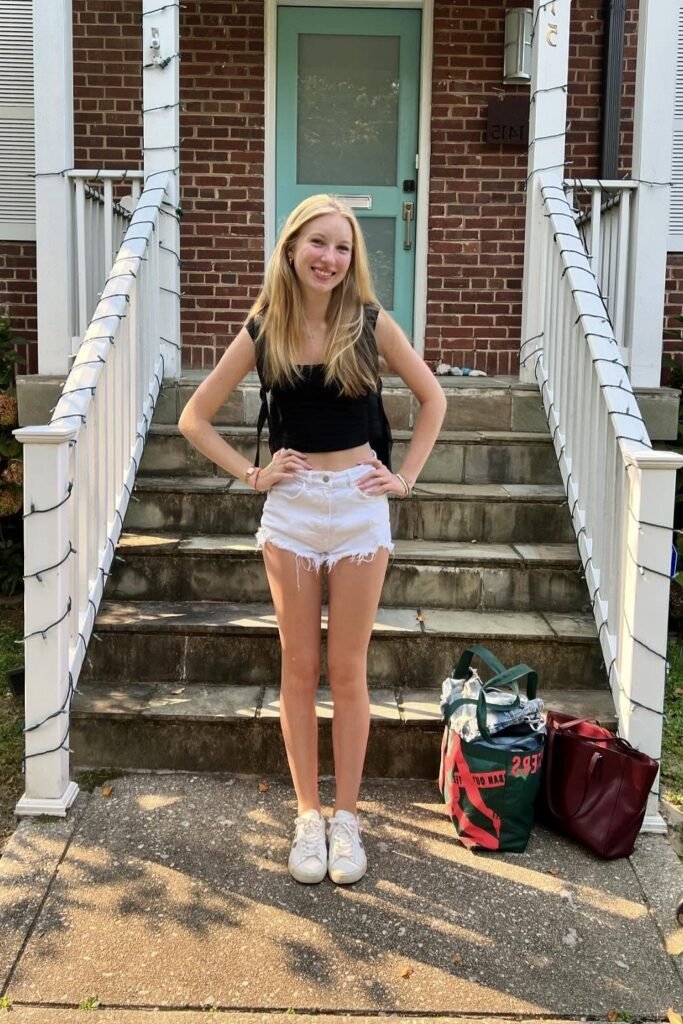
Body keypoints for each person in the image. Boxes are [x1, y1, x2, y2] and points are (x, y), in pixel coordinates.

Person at [178, 194, 446, 885]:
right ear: (292, 248)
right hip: (292, 511)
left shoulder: (368, 323)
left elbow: (432, 398)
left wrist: (404, 478)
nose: (330, 258)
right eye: (318, 244)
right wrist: (253, 474)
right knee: (298, 669)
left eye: (343, 248)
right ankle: (306, 816)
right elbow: (194, 417)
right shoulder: (264, 326)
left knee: (348, 670)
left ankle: (347, 819)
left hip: (357, 508)